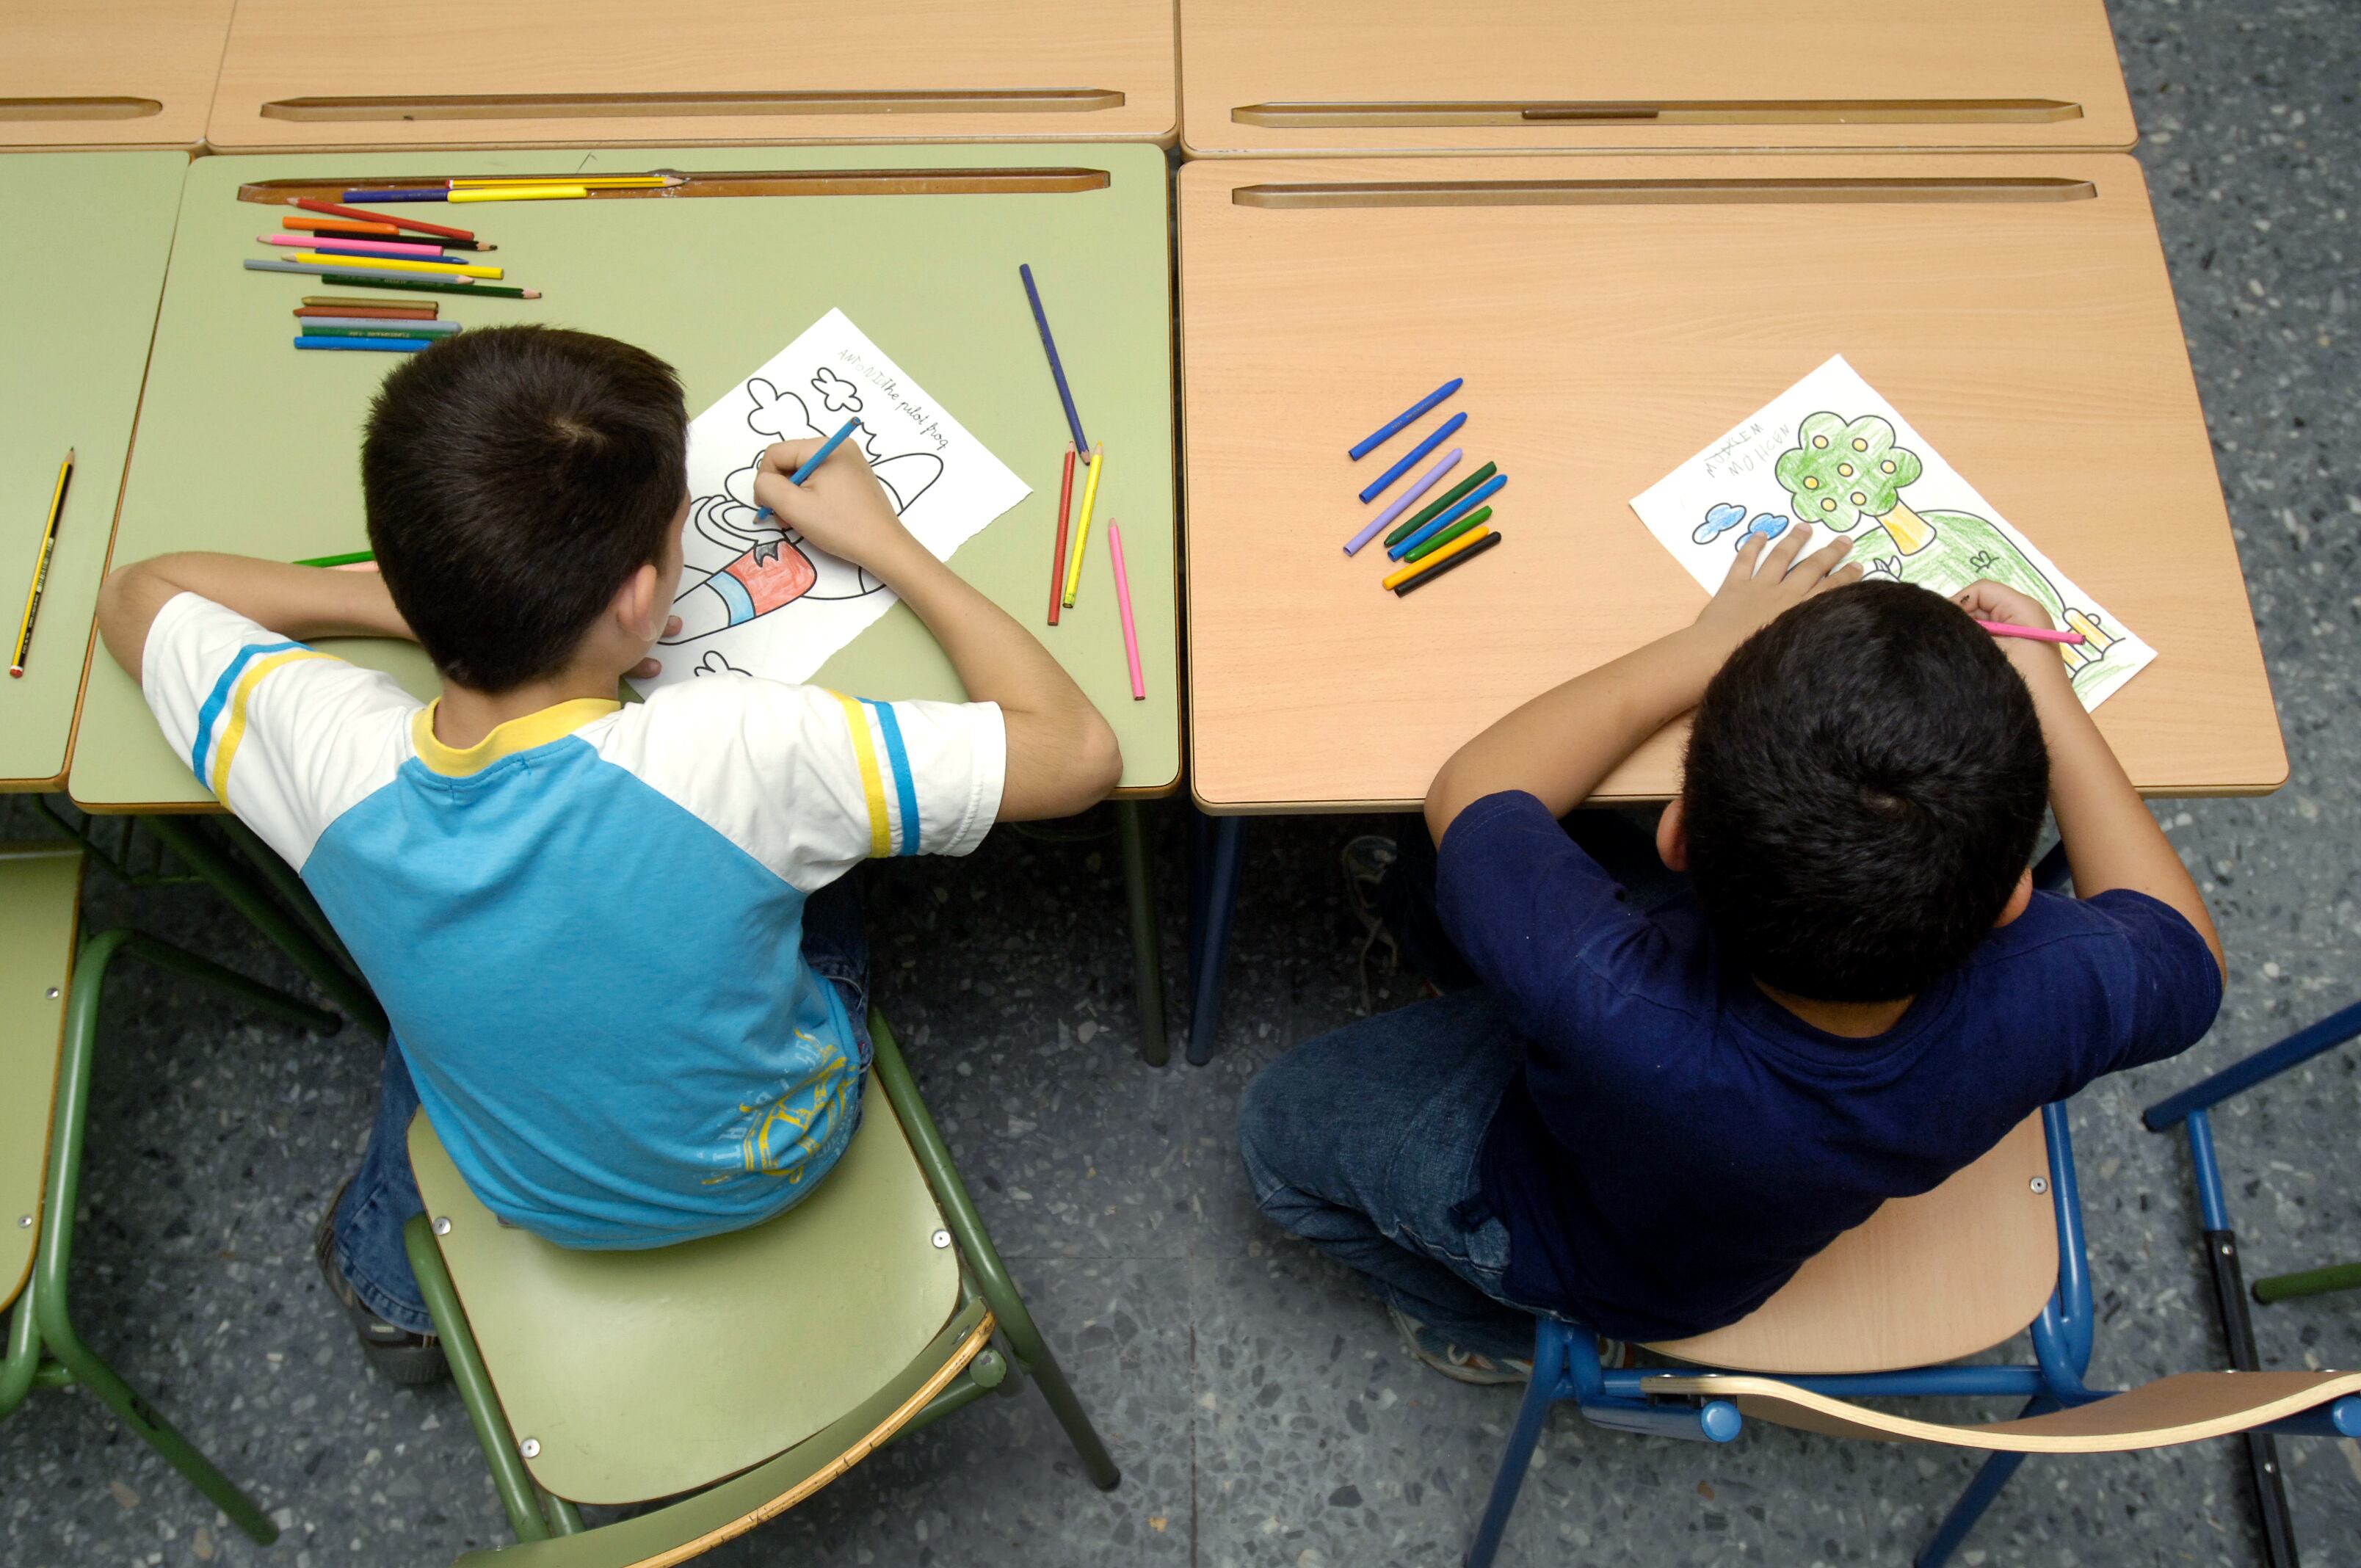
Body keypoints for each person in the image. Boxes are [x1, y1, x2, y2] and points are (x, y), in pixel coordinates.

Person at [96, 326, 1121, 1382]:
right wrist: (889, 543)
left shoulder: (323, 755)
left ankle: (391, 1287)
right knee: (833, 865)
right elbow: (1078, 754)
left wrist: (445, 595)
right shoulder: (745, 750)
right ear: (642, 601)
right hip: (780, 1153)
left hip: (527, 1190)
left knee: (446, 1008)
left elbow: (138, 596)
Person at [1238, 525, 2224, 1383]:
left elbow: (1477, 789)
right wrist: (2045, 688)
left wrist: (1705, 646)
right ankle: (1464, 952)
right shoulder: (2052, 986)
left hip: (1576, 1243)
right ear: (2013, 898)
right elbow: (2187, 952)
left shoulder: (1606, 987)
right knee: (1462, 882)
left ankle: (1484, 1323)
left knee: (1273, 1130)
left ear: (1674, 834)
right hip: (1725, 1214)